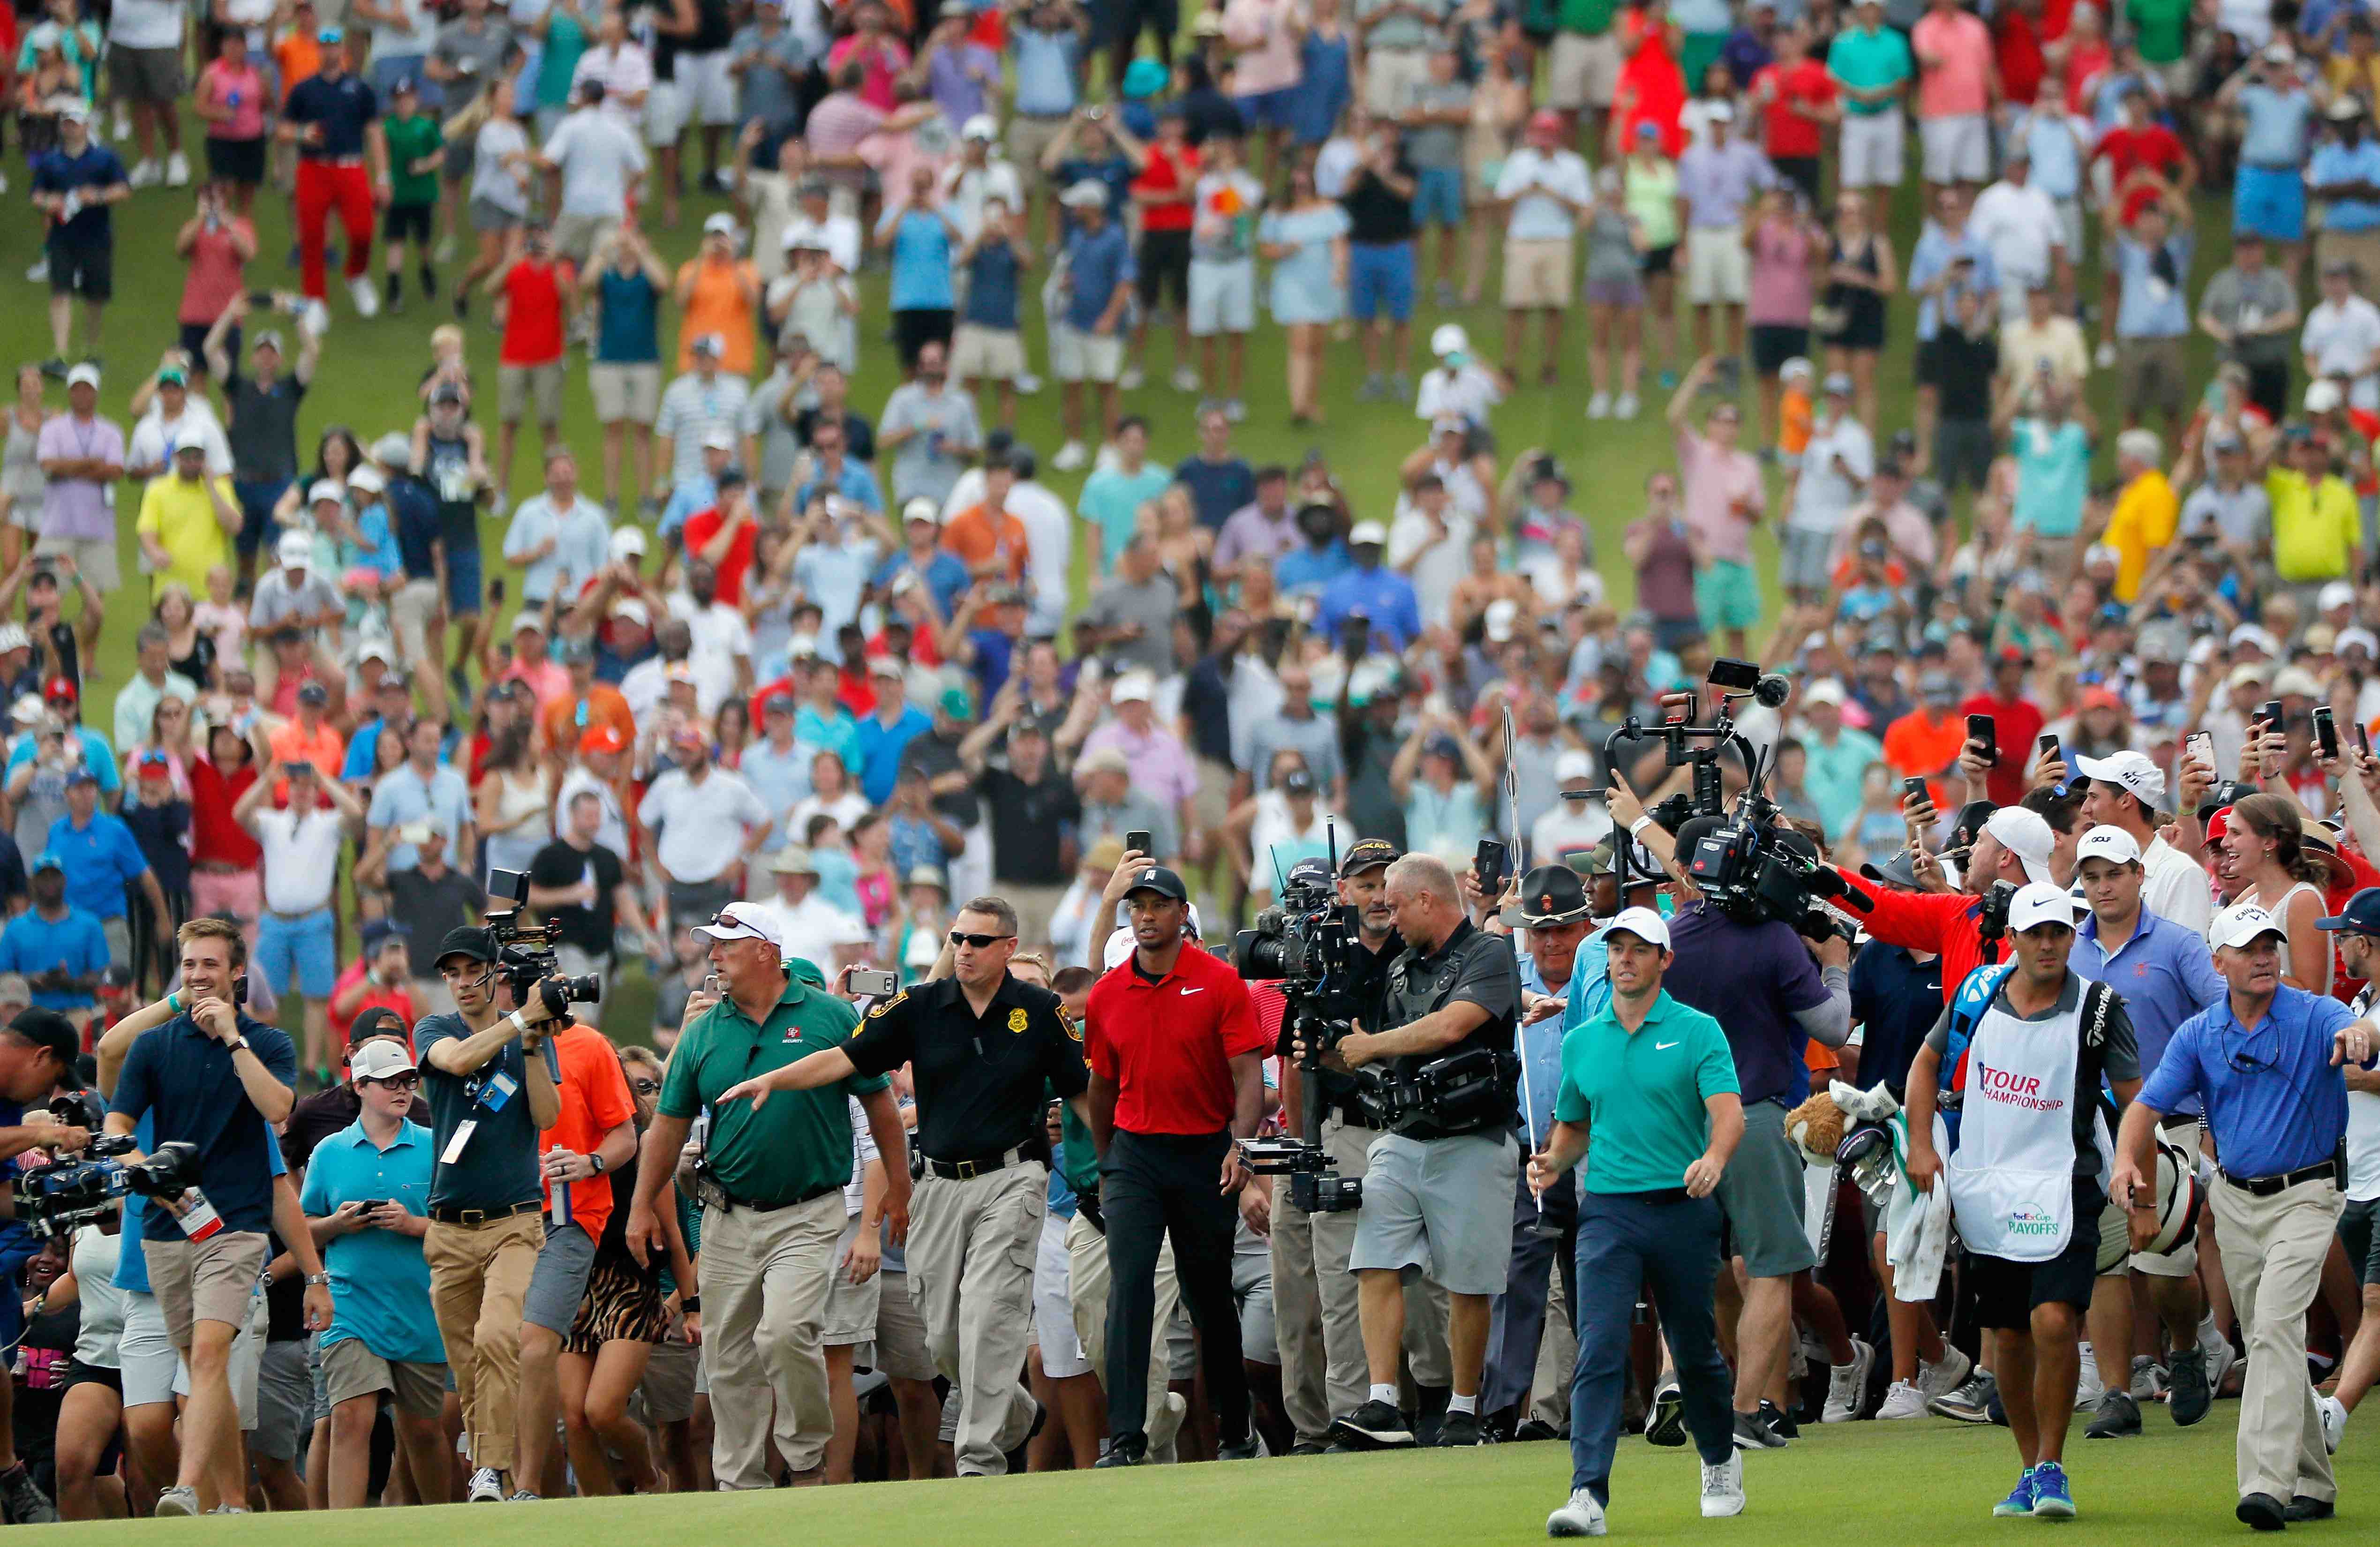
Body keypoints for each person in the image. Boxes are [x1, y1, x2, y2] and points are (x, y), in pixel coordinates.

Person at [723, 895, 1088, 1474]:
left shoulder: (1040, 1009)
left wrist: (1114, 1168)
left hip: (1013, 1177)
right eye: (958, 939)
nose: (964, 950)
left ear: (1009, 948)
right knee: (942, 1338)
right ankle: (1014, 1412)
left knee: (988, 1316)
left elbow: (1081, 1093)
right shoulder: (919, 1006)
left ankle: (979, 1460)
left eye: (978, 941)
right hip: (939, 1185)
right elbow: (844, 1058)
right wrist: (774, 1078)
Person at [623, 901, 910, 1488]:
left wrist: (898, 1190)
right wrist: (638, 1208)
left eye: (728, 944)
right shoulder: (703, 1030)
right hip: (726, 1215)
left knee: (785, 1334)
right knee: (727, 1358)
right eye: (713, 944)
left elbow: (881, 1105)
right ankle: (740, 1484)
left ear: (766, 952)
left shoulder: (830, 1016)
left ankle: (805, 1459)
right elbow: (669, 1128)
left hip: (809, 1212)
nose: (714, 955)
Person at [2114, 902, 2375, 1531]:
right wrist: (2127, 1161)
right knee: (2273, 1340)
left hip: (2308, 1196)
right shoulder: (2201, 1033)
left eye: (2270, 946)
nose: (2264, 957)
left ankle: (2265, 1482)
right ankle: (2315, 1479)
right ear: (2219, 962)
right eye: (2250, 948)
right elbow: (2145, 1108)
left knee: (2274, 1329)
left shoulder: (2315, 1013)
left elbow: (2360, 1033)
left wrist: (2361, 1039)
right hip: (2234, 1201)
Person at [1906, 883, 2140, 1523]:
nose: (2047, 943)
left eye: (2059, 931)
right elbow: (1925, 1067)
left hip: (2069, 1183)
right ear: (2012, 938)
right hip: (1989, 1189)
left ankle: (2051, 1465)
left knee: (2054, 1321)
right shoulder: (1977, 995)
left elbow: (2135, 1099)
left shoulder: (2099, 1008)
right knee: (2008, 1335)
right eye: (2035, 932)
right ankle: (2026, 1466)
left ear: (2072, 936)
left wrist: (2138, 1180)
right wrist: (1921, 1145)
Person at [102, 916, 328, 1516]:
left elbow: (279, 1106)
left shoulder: (269, 1044)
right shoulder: (155, 1045)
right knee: (200, 1368)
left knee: (207, 1357)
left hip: (236, 1230)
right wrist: (144, 1168)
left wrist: (233, 1038)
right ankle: (234, 1504)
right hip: (164, 1227)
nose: (199, 976)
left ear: (236, 974)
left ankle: (185, 1489)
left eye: (210, 965)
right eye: (190, 965)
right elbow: (116, 1124)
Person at [1531, 903, 1745, 1537]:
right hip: (1609, 1214)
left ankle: (1719, 1456)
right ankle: (1587, 1493)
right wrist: (1552, 1163)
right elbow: (1575, 1128)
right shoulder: (1582, 1040)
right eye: (1616, 949)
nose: (1624, 959)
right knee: (1599, 1346)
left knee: (1696, 1351)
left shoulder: (1698, 1030)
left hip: (1683, 1210)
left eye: (1638, 949)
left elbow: (1727, 1112)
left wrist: (1713, 1157)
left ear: (1664, 960)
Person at [1322, 854, 1520, 1449]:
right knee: (1374, 1258)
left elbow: (1453, 1027)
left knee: (1467, 1280)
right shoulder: (1404, 969)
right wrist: (1329, 1047)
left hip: (1473, 1137)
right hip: (1403, 1136)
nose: (1389, 915)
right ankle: (1384, 1403)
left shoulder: (1489, 955)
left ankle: (1463, 1409)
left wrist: (1370, 1044)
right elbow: (1379, 1053)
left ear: (1429, 900)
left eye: (1397, 903)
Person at [1084, 859, 1268, 1464]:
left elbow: (1246, 1075)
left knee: (1209, 1296)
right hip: (1135, 1155)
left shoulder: (1217, 982)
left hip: (1204, 1150)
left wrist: (1239, 1146)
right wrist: (1110, 1163)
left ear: (1183, 915)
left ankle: (1235, 1427)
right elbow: (1102, 1089)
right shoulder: (1108, 993)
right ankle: (1128, 1437)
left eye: (1158, 906)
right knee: (1130, 1289)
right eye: (1136, 907)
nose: (1145, 916)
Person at [414, 924, 567, 1503]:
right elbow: (453, 1063)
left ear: (494, 973)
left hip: (515, 1221)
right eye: (449, 974)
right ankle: (489, 1469)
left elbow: (547, 1114)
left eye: (470, 970)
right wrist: (522, 1021)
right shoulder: (435, 1028)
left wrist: (528, 1044)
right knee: (470, 1361)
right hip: (449, 1225)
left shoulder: (525, 1035)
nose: (459, 983)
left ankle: (491, 1469)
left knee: (499, 1336)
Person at [299, 1037, 452, 1509]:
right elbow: (303, 1229)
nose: (402, 1089)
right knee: (349, 1416)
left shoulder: (434, 1146)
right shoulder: (329, 1152)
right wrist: (336, 1224)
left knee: (424, 1431)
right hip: (351, 1306)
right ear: (360, 1086)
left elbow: (464, 1228)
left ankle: (443, 1527)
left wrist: (413, 1225)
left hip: (419, 1308)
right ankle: (347, 1534)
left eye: (408, 1080)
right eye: (389, 1082)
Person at [279, 29, 393, 319]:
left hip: (351, 166)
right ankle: (315, 301)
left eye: (335, 46)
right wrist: (303, 133)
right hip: (314, 168)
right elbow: (283, 129)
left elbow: (375, 131)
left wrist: (383, 176)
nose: (330, 51)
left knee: (363, 231)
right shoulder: (304, 89)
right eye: (325, 46)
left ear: (343, 49)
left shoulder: (360, 88)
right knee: (313, 236)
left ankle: (356, 274)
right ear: (319, 49)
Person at [29, 103, 130, 368]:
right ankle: (60, 353)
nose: (70, 128)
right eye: (67, 123)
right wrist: (50, 203)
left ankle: (92, 349)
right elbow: (37, 195)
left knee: (95, 295)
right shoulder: (51, 161)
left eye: (75, 123)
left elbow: (122, 189)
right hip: (61, 238)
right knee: (60, 293)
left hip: (96, 236)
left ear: (86, 126)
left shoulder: (105, 158)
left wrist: (96, 196)